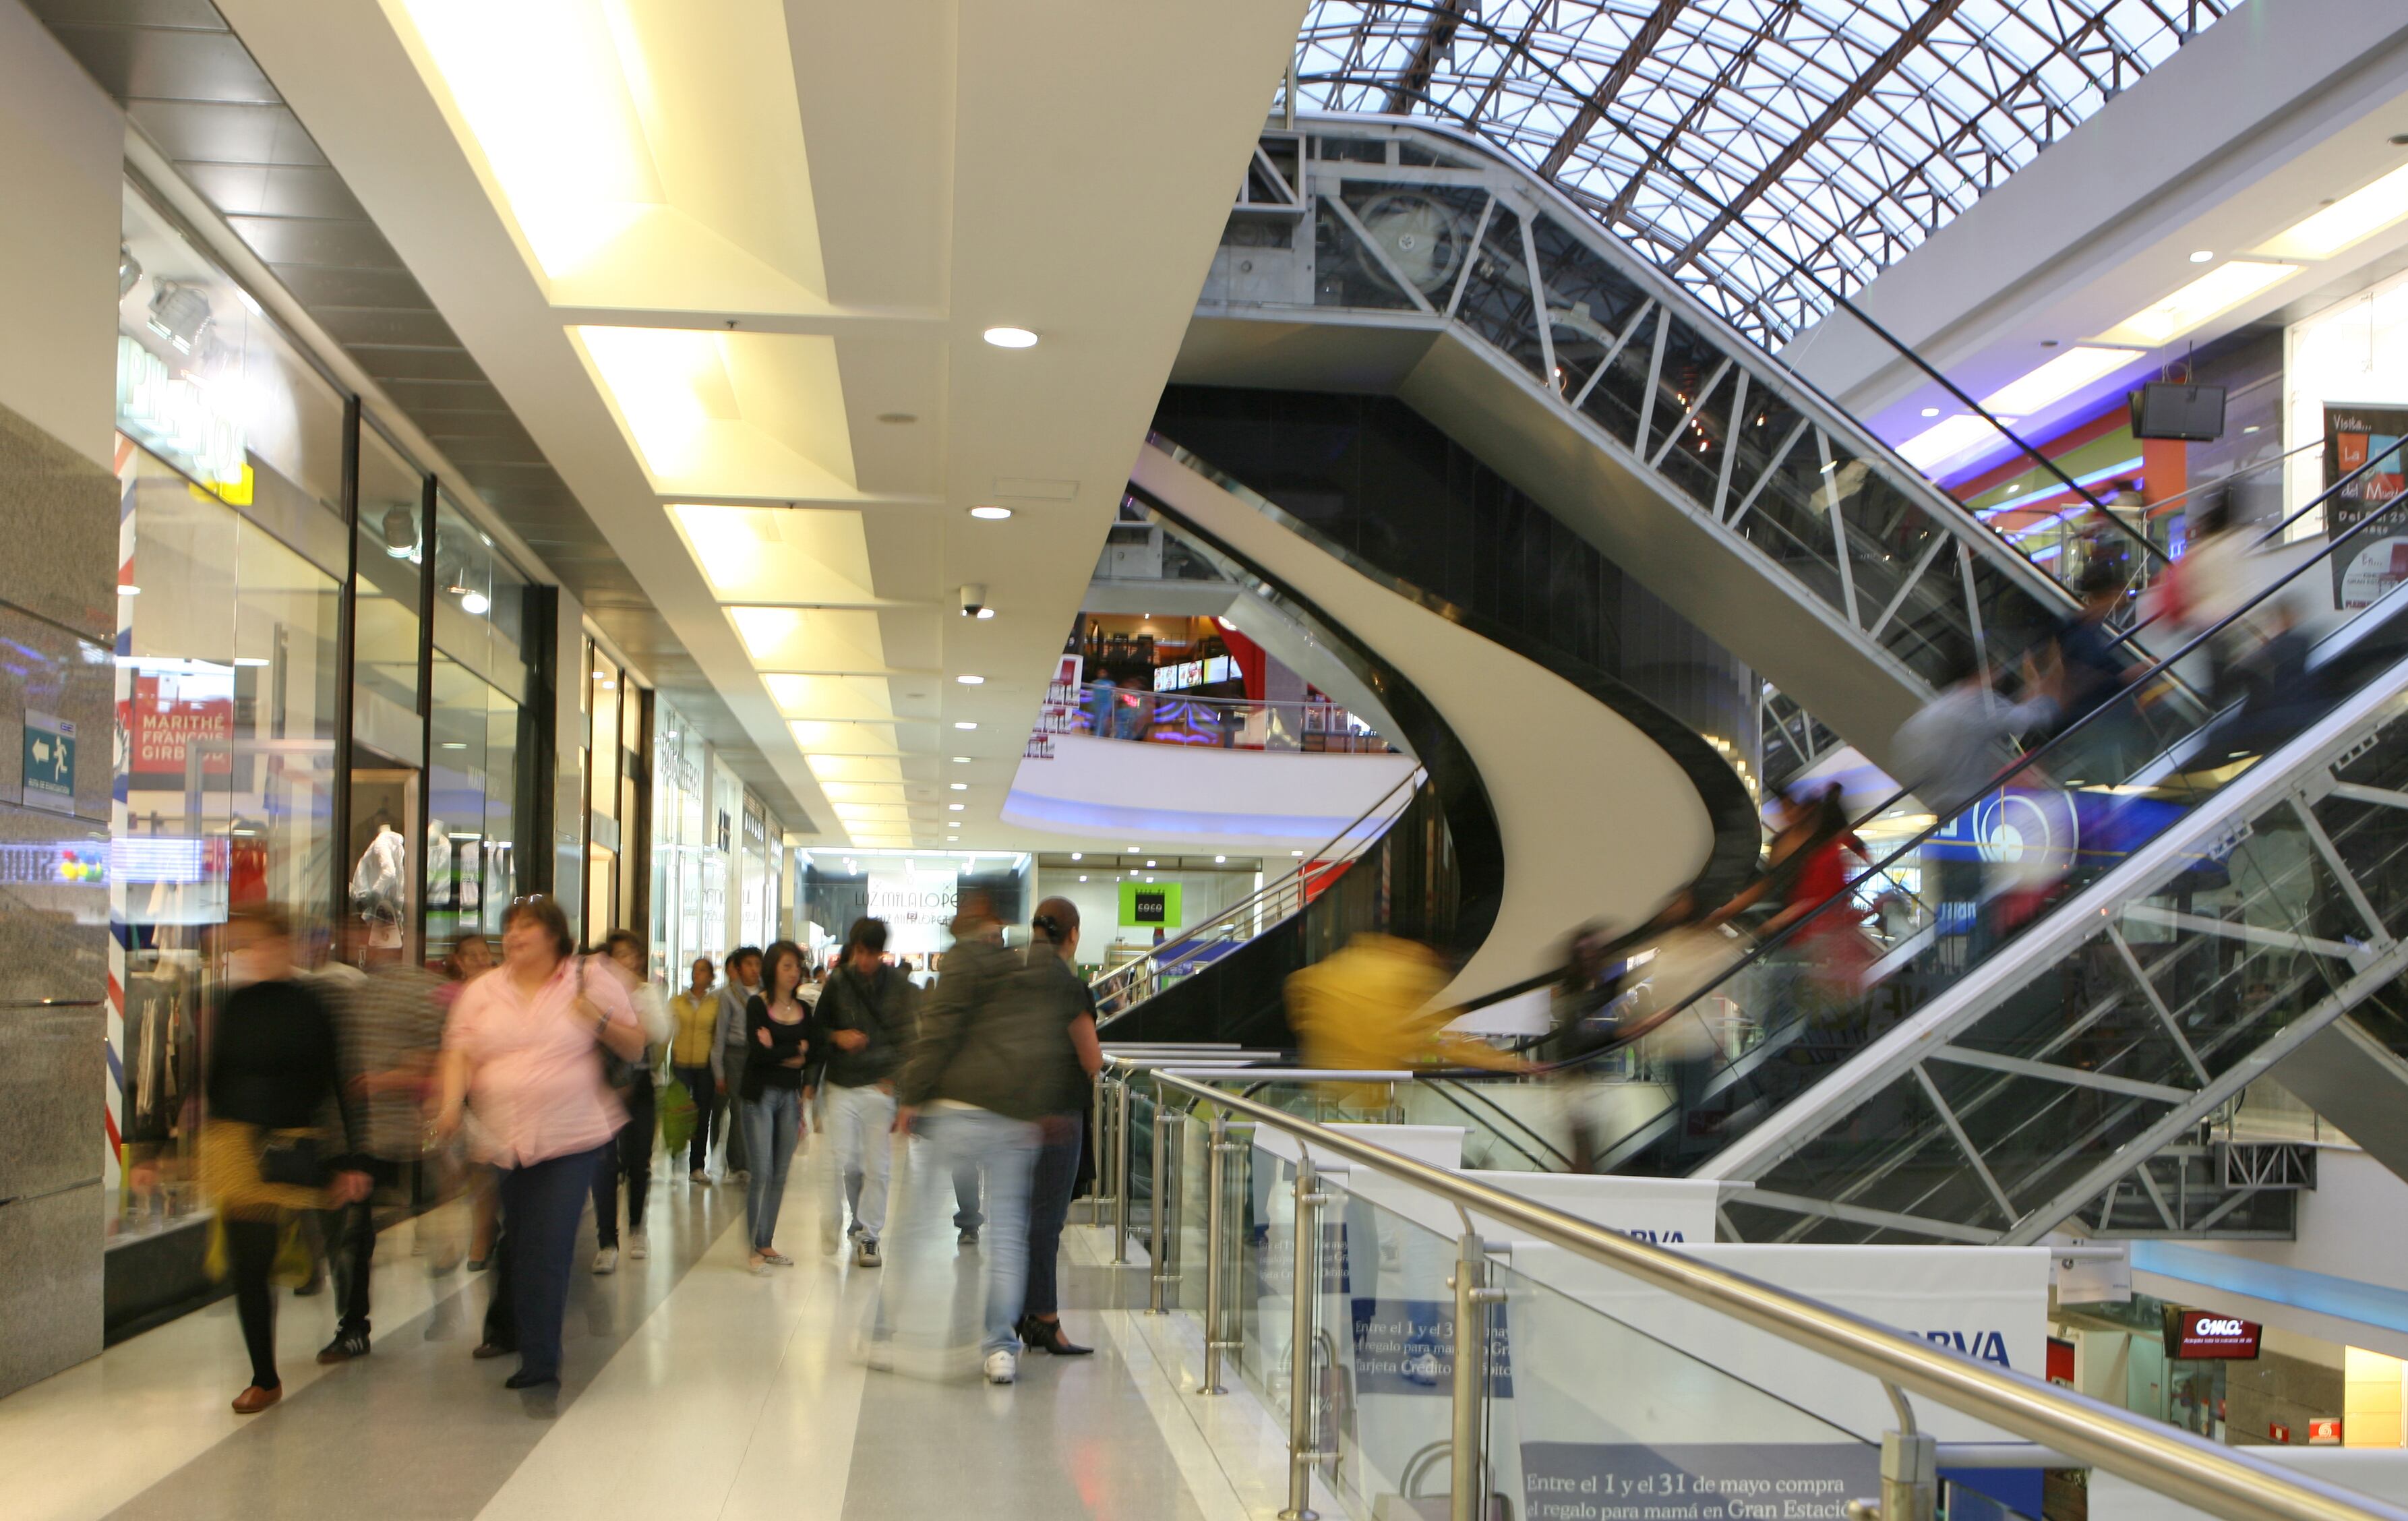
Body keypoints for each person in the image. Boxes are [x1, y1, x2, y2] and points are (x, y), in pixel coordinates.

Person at [433, 895, 644, 1390]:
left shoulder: (589, 978)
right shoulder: (484, 990)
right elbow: (458, 1052)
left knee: (547, 1246)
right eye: (509, 927)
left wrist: (594, 1018)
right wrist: (448, 1106)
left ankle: (541, 1360)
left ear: (554, 936)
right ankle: (527, 1335)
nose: (514, 936)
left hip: (571, 1137)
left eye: (526, 926)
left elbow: (636, 1044)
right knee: (521, 1243)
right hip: (501, 1137)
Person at [199, 905, 369, 1413]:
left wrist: (352, 1158)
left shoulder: (313, 1004)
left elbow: (340, 1081)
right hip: (234, 1143)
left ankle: (351, 1321)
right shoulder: (234, 1004)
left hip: (292, 1140)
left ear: (288, 947)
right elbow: (213, 1079)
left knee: (333, 1238)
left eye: (263, 944)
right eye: (247, 946)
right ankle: (264, 1376)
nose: (255, 955)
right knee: (248, 1264)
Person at [892, 901, 1059, 1384]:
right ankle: (1000, 1348)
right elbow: (1044, 1042)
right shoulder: (1023, 970)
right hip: (1015, 1116)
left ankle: (890, 1330)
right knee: (1007, 1238)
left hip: (962, 1108)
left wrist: (913, 1097)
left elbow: (938, 1034)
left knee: (918, 1222)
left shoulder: (961, 965)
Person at [320, 930, 446, 1363]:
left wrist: (385, 1082)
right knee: (356, 1233)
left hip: (407, 1132)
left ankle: (359, 1321)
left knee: (429, 1225)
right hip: (362, 1135)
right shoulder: (350, 993)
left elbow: (437, 1063)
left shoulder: (421, 991)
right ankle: (353, 1323)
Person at [1892, 649, 2061, 959]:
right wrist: (2043, 690)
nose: (1995, 679)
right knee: (1976, 893)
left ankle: (1952, 961)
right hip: (1971, 815)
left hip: (1940, 821)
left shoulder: (1930, 713)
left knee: (1954, 900)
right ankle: (1978, 962)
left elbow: (1906, 756)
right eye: (1992, 672)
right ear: (1981, 673)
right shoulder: (1973, 703)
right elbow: (2030, 717)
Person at [1286, 932, 1528, 1114]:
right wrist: (1500, 1061)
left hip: (1329, 1085)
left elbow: (1300, 984)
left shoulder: (1348, 966)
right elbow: (1445, 1041)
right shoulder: (1411, 974)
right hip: (1361, 1089)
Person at [1016, 899, 1103, 1356]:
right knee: (1047, 1221)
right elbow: (1091, 1058)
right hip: (1058, 1113)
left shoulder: (1013, 976)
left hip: (1014, 1112)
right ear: (1072, 934)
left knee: (1020, 1218)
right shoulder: (1067, 985)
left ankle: (1020, 1309)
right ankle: (1045, 1319)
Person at [808, 918, 911, 1265]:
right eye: (861, 953)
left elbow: (906, 1039)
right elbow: (818, 1031)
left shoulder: (896, 985)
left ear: (882, 953)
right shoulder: (838, 983)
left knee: (878, 1167)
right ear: (854, 950)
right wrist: (838, 1037)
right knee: (843, 1160)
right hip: (842, 1084)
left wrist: (897, 1087)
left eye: (873, 954)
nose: (866, 961)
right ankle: (835, 1219)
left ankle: (870, 1236)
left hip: (880, 1086)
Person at [592, 929, 672, 1271]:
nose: (628, 962)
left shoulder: (646, 992)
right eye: (619, 956)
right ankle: (606, 1241)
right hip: (603, 1087)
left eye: (632, 956)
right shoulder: (593, 991)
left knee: (638, 1160)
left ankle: (638, 1227)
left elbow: (658, 1030)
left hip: (640, 1085)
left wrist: (622, 1013)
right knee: (605, 1166)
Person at [740, 940, 813, 1274]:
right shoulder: (757, 1005)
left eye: (797, 966)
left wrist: (781, 1048)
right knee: (762, 1171)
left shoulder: (805, 1011)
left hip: (789, 1096)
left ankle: (766, 1242)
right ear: (773, 969)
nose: (793, 972)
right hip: (759, 1095)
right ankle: (753, 1247)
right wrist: (793, 1050)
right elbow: (758, 1053)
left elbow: (809, 1055)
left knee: (781, 1173)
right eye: (787, 966)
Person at [711, 947, 762, 1180]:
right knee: (739, 1109)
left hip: (759, 1055)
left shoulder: (766, 992)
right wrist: (719, 1072)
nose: (754, 969)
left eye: (757, 964)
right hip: (734, 1055)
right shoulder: (728, 995)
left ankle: (751, 1160)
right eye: (749, 964)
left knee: (757, 1109)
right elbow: (720, 1035)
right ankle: (740, 1164)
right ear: (738, 968)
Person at [668, 955, 720, 1181]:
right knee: (678, 1111)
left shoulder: (715, 1005)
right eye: (694, 969)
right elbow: (666, 1031)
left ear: (710, 977)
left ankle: (696, 1166)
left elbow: (718, 1036)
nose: (696, 973)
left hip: (704, 1064)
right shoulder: (677, 1002)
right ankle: (675, 1151)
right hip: (680, 1062)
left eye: (702, 970)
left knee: (702, 1114)